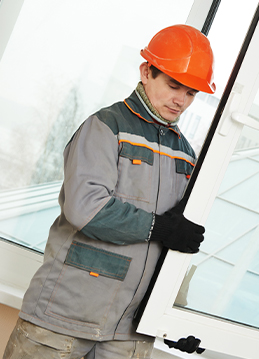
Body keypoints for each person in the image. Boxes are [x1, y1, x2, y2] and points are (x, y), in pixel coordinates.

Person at [3, 24, 213, 359]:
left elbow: (178, 243)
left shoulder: (186, 156)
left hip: (127, 334)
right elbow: (86, 208)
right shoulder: (105, 127)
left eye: (191, 93)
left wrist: (172, 318)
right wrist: (160, 228)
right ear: (147, 72)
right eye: (175, 85)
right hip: (63, 317)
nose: (181, 100)